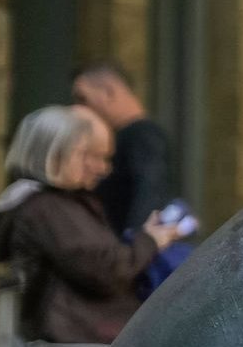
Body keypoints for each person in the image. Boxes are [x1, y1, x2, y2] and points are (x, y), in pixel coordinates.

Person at [0, 107, 177, 347]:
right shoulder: (46, 208)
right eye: (84, 154)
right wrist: (150, 241)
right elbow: (103, 268)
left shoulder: (60, 203)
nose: (101, 168)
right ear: (52, 154)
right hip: (76, 337)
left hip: (84, 333)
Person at [72, 62, 175, 247]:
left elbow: (149, 190)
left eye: (83, 98)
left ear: (109, 92)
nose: (80, 109)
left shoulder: (141, 136)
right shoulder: (132, 136)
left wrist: (134, 246)